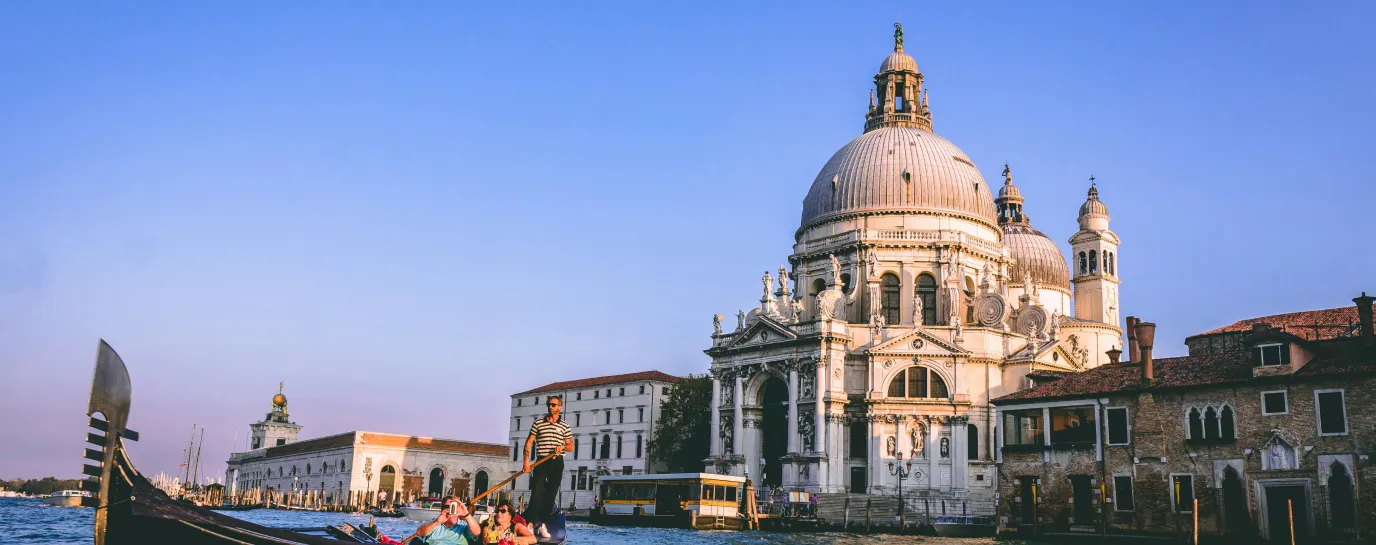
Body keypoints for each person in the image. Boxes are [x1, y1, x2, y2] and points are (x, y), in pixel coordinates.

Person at [522, 395, 573, 539]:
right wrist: (526, 462)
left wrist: (562, 446)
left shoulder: (564, 426)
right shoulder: (538, 423)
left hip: (557, 462)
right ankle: (530, 524)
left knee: (551, 494)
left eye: (554, 405)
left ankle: (542, 524)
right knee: (537, 492)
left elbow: (571, 446)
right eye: (549, 404)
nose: (551, 407)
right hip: (541, 461)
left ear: (560, 407)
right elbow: (529, 443)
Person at [404, 496, 478, 545]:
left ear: (458, 508)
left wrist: (466, 514)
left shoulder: (464, 525)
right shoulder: (433, 523)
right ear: (442, 508)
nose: (449, 509)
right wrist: (437, 522)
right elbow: (419, 533)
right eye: (446, 506)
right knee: (415, 540)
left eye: (453, 506)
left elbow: (476, 532)